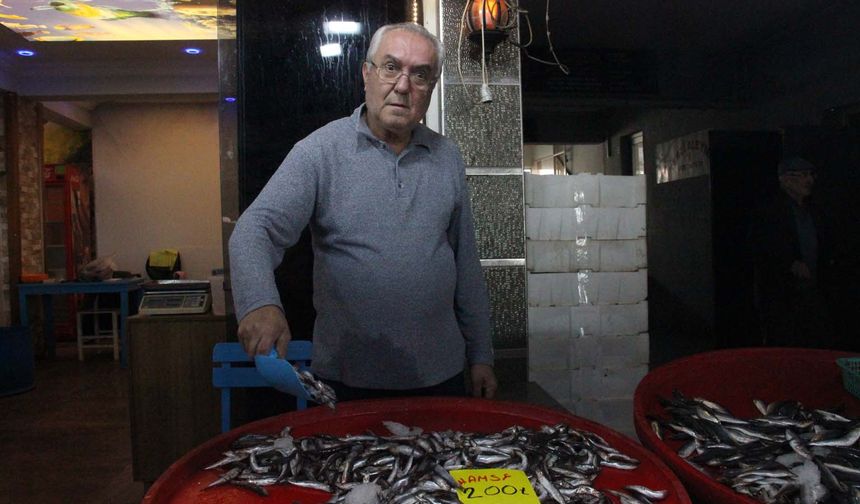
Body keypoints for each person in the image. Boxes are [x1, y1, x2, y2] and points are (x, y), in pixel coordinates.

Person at [228, 22, 497, 401]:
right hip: (348, 381)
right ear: (366, 74)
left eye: (420, 75)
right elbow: (256, 229)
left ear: (431, 89)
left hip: (442, 376)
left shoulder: (448, 157)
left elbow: (465, 263)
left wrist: (481, 355)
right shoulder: (319, 152)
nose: (403, 86)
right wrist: (259, 302)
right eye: (391, 67)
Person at [748, 156, 836, 348]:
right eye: (803, 175)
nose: (809, 180)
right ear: (785, 179)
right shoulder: (770, 211)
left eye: (811, 175)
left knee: (815, 340)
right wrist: (790, 262)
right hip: (782, 293)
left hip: (813, 290)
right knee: (784, 343)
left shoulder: (815, 210)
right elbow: (762, 246)